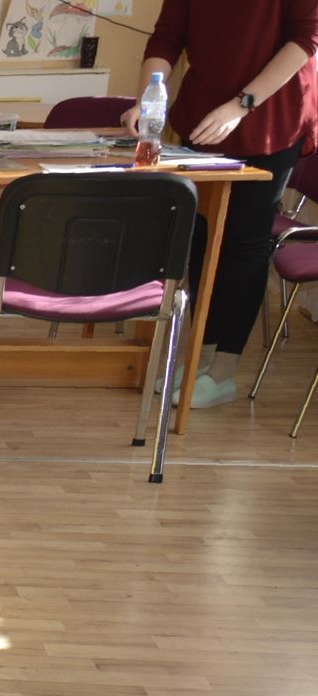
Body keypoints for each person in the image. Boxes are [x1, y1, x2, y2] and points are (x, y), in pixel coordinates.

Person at [131, 0, 318, 408]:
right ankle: (202, 356)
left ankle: (223, 372)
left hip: (269, 117)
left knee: (243, 240)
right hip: (205, 118)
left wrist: (242, 105)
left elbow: (305, 40)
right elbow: (167, 38)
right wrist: (148, 99)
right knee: (202, 234)